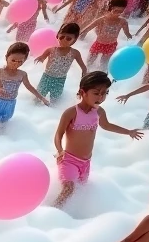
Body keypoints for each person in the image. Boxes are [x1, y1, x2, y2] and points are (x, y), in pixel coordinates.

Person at [54, 71, 142, 207]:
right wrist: (60, 150)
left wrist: (128, 132)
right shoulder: (71, 112)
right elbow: (58, 134)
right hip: (68, 159)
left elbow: (107, 126)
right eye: (96, 93)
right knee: (68, 189)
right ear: (83, 92)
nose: (100, 97)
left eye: (105, 93)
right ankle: (53, 211)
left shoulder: (99, 112)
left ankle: (72, 217)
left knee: (80, 191)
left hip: (85, 163)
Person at [0, 42, 48, 127]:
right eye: (13, 60)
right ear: (6, 57)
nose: (16, 63)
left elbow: (29, 87)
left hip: (11, 102)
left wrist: (42, 98)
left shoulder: (22, 74)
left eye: (20, 62)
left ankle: (0, 137)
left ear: (24, 61)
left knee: (3, 122)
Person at [33, 23, 87, 104]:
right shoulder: (50, 50)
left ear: (74, 40)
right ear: (58, 35)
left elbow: (83, 67)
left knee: (55, 101)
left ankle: (51, 114)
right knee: (38, 97)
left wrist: (84, 78)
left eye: (68, 38)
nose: (64, 40)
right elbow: (42, 58)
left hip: (60, 80)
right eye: (62, 37)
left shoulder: (75, 53)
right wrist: (40, 58)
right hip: (46, 77)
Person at [79, 0, 132, 69]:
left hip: (111, 45)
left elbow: (127, 34)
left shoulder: (123, 22)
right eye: (116, 11)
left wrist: (131, 42)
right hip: (98, 43)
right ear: (110, 8)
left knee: (104, 66)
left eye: (121, 11)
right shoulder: (102, 20)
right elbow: (87, 28)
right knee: (89, 64)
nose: (118, 14)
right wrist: (77, 34)